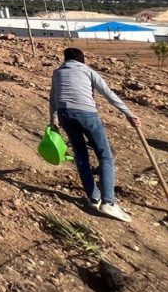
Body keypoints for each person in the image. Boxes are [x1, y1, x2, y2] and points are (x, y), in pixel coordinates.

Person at [49, 47, 140, 223]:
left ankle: (94, 198)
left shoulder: (57, 72)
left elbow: (52, 97)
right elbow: (109, 94)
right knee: (105, 156)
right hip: (86, 114)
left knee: (81, 156)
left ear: (65, 60)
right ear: (82, 59)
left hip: (64, 114)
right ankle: (108, 202)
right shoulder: (88, 71)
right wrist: (129, 114)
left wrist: (53, 120)